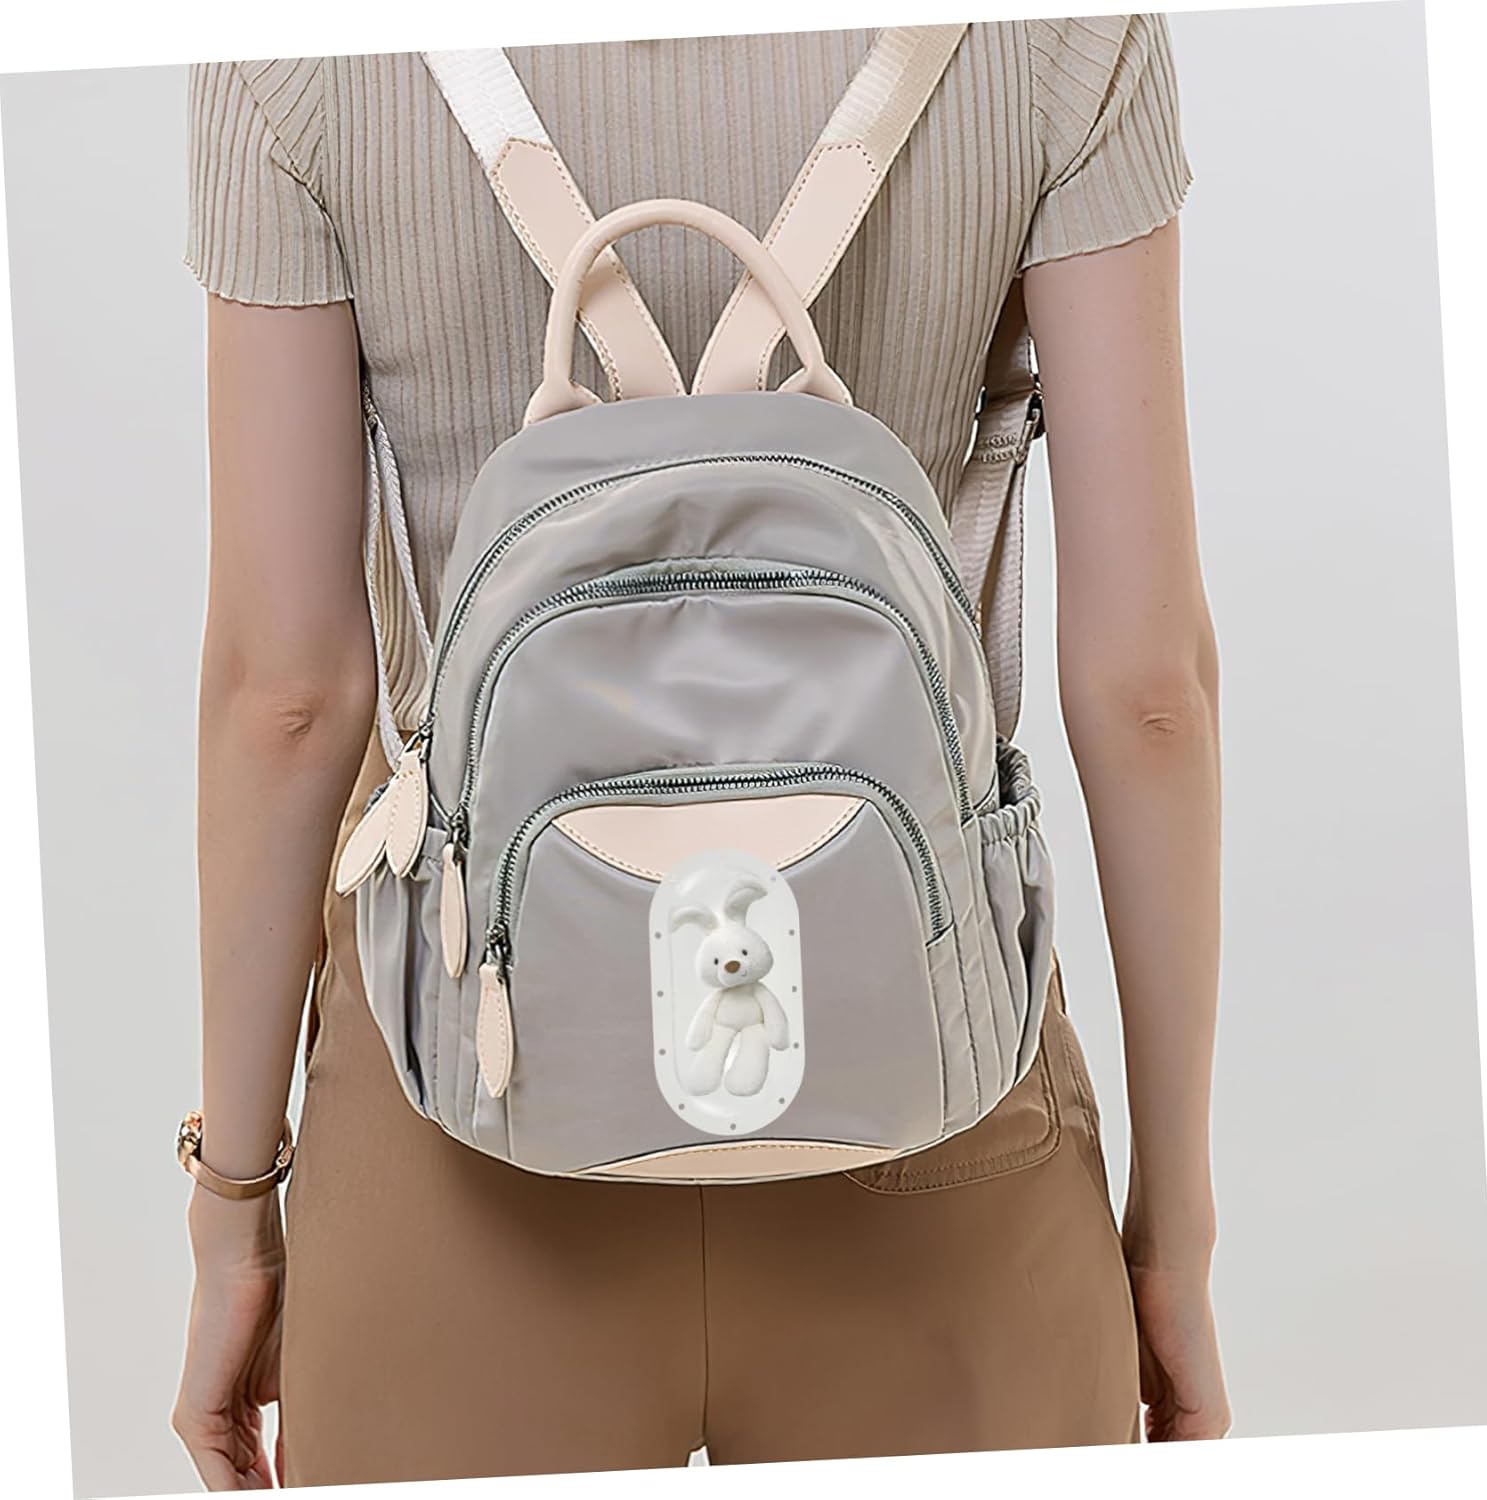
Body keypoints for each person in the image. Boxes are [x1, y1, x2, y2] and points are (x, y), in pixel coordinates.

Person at [172, 20, 1229, 1490]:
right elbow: (1148, 690)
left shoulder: (288, 55)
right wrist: (1174, 1229)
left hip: (467, 1104)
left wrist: (234, 1205)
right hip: (931, 1098)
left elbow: (284, 699)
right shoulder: (1067, 35)